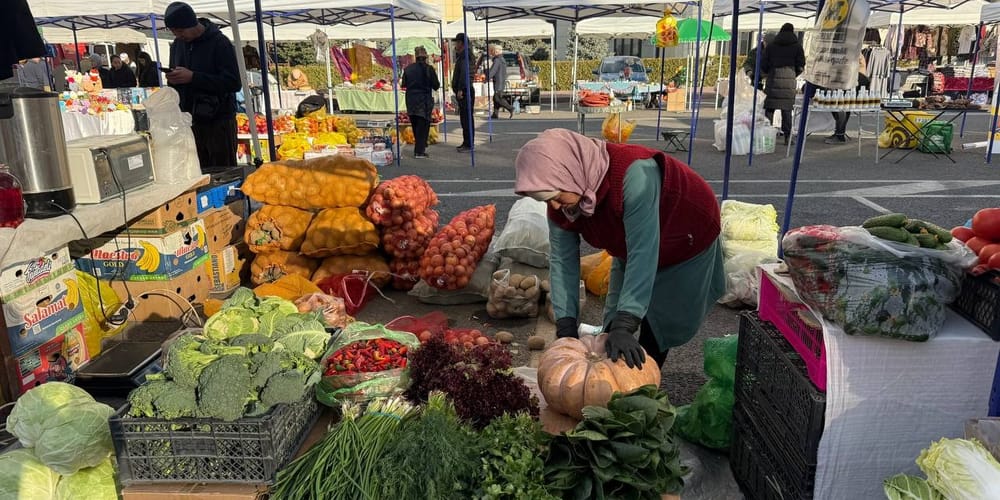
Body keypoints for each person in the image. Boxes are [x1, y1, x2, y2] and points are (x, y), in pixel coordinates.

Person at [514, 129, 725, 368]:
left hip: (686, 236)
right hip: (628, 244)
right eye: (546, 199)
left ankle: (646, 384)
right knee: (611, 327)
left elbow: (643, 252)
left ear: (569, 173)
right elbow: (562, 262)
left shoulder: (634, 174)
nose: (553, 205)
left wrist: (627, 322)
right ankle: (617, 381)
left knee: (656, 327)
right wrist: (566, 328)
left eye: (556, 195)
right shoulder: (562, 203)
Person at [163, 1, 241, 169]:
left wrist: (193, 77)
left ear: (191, 23)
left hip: (218, 122)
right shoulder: (178, 45)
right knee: (196, 172)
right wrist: (173, 78)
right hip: (190, 122)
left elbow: (233, 82)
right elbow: (179, 78)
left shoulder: (220, 43)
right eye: (174, 31)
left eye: (181, 30)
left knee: (223, 172)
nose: (178, 35)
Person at [761, 23, 805, 145]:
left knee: (769, 110)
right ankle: (787, 137)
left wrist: (769, 72)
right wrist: (793, 74)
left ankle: (767, 137)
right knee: (786, 111)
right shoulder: (797, 47)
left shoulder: (771, 46)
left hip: (773, 80)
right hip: (789, 82)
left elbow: (764, 64)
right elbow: (801, 65)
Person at [402, 46, 440, 159]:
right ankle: (419, 151)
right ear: (425, 57)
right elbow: (436, 86)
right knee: (423, 125)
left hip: (411, 99)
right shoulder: (429, 69)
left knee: (415, 124)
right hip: (424, 100)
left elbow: (403, 84)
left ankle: (421, 146)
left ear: (416, 57)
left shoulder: (408, 69)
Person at [451, 32, 474, 153]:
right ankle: (466, 142)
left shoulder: (465, 56)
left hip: (465, 90)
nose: (455, 44)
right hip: (464, 89)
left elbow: (464, 73)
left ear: (461, 43)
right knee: (464, 118)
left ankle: (469, 144)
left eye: (456, 42)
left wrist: (460, 89)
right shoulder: (464, 55)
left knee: (466, 119)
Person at [487, 44, 513, 119]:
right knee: (496, 98)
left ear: (497, 51)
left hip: (498, 81)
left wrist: (487, 77)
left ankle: (510, 108)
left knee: (497, 98)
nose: (493, 52)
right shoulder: (502, 59)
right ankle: (495, 114)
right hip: (501, 81)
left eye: (494, 51)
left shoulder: (497, 60)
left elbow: (493, 71)